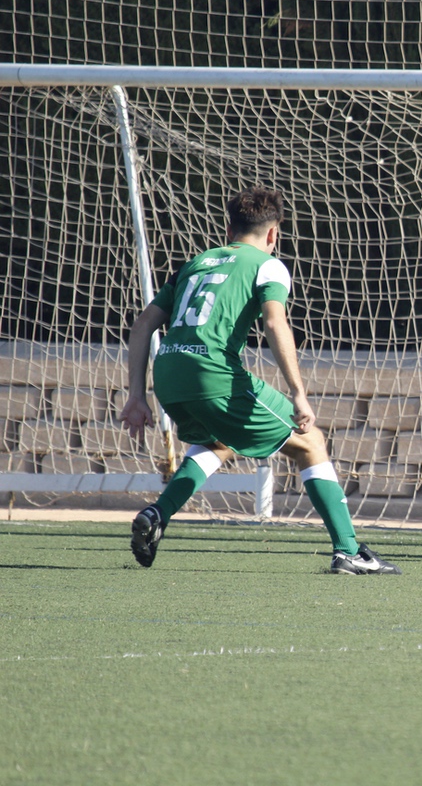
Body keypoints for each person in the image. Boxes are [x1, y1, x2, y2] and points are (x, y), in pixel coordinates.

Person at [118, 186, 400, 575]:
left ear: (229, 227)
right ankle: (349, 551)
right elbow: (274, 322)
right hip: (212, 374)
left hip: (167, 375)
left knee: (218, 440)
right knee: (310, 443)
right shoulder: (268, 265)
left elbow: (143, 324)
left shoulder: (194, 263)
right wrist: (299, 394)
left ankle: (158, 513)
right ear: (273, 234)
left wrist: (136, 394)